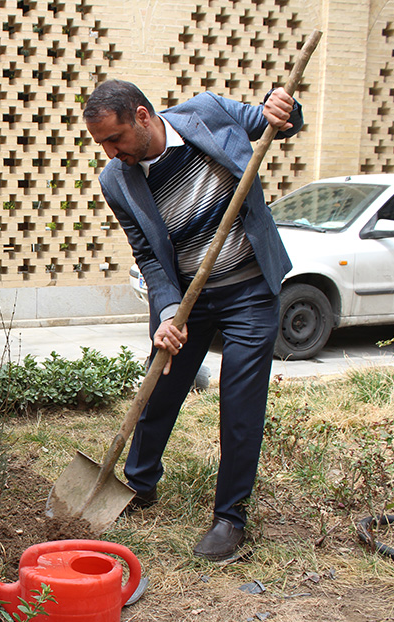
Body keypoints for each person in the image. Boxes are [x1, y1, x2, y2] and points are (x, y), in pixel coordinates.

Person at [84, 80, 302, 561]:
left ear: (143, 116)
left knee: (240, 403)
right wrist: (165, 312)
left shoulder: (208, 112)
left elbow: (275, 123)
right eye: (101, 143)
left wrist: (287, 110)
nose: (110, 151)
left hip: (249, 288)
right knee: (160, 386)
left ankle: (230, 519)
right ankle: (140, 484)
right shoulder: (116, 180)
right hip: (189, 300)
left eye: (115, 139)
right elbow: (149, 256)